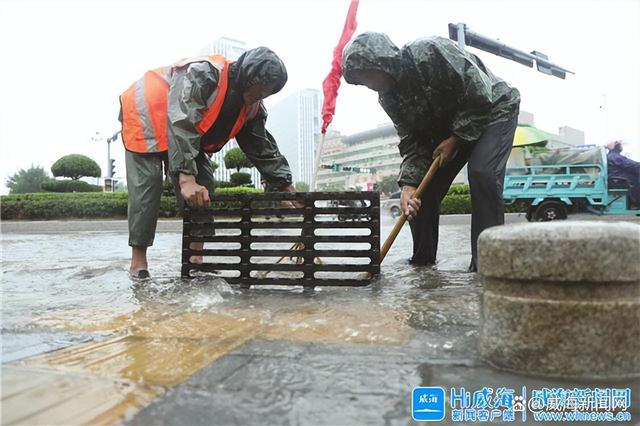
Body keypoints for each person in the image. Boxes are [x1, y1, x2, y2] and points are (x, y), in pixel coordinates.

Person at [342, 32, 520, 272]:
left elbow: (480, 93)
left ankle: (488, 263)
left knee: (482, 173)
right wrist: (408, 185)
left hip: (493, 111)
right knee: (420, 195)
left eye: (366, 75)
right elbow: (411, 140)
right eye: (362, 81)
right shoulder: (388, 98)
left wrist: (456, 139)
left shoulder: (428, 52)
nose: (368, 85)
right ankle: (423, 261)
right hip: (449, 133)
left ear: (381, 61)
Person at [119, 47, 294, 279]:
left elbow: (260, 144)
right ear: (246, 77)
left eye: (265, 94)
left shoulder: (252, 106)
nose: (258, 97)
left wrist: (284, 184)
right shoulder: (204, 73)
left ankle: (195, 259)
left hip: (187, 132)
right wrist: (185, 178)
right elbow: (182, 118)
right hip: (148, 114)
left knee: (204, 186)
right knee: (147, 186)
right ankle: (138, 263)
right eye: (257, 90)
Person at [606, 140, 640, 208]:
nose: (621, 146)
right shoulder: (614, 156)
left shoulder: (614, 155)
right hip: (619, 178)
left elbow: (629, 164)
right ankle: (636, 203)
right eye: (620, 145)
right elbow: (629, 165)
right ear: (616, 147)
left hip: (619, 176)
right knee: (636, 179)